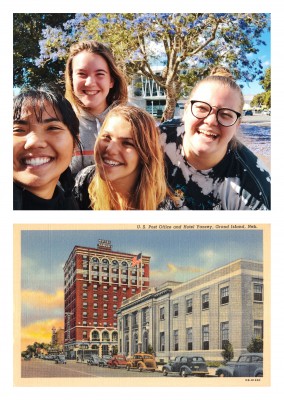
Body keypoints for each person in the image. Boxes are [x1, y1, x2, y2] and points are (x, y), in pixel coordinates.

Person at [159, 66, 271, 210]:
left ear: (237, 124)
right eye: (202, 108)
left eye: (225, 114)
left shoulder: (255, 192)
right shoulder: (156, 139)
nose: (211, 121)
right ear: (186, 111)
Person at [73, 105, 182, 210]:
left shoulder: (164, 209)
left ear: (145, 154)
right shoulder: (84, 182)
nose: (110, 149)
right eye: (107, 137)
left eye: (127, 143)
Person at [65, 40, 128, 175]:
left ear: (111, 81)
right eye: (82, 74)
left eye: (100, 74)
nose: (90, 82)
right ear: (71, 79)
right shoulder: (60, 124)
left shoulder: (132, 123)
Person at [13, 86, 81, 210]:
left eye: (52, 128)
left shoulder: (70, 206)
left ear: (74, 144)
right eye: (18, 130)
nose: (34, 142)